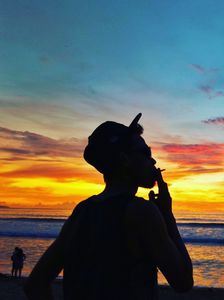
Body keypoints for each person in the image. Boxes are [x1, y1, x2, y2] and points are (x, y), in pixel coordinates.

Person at [24, 113, 193, 300]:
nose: (153, 161)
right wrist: (167, 216)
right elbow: (183, 282)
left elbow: (36, 284)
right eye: (145, 154)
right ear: (124, 160)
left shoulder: (82, 210)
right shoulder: (141, 211)